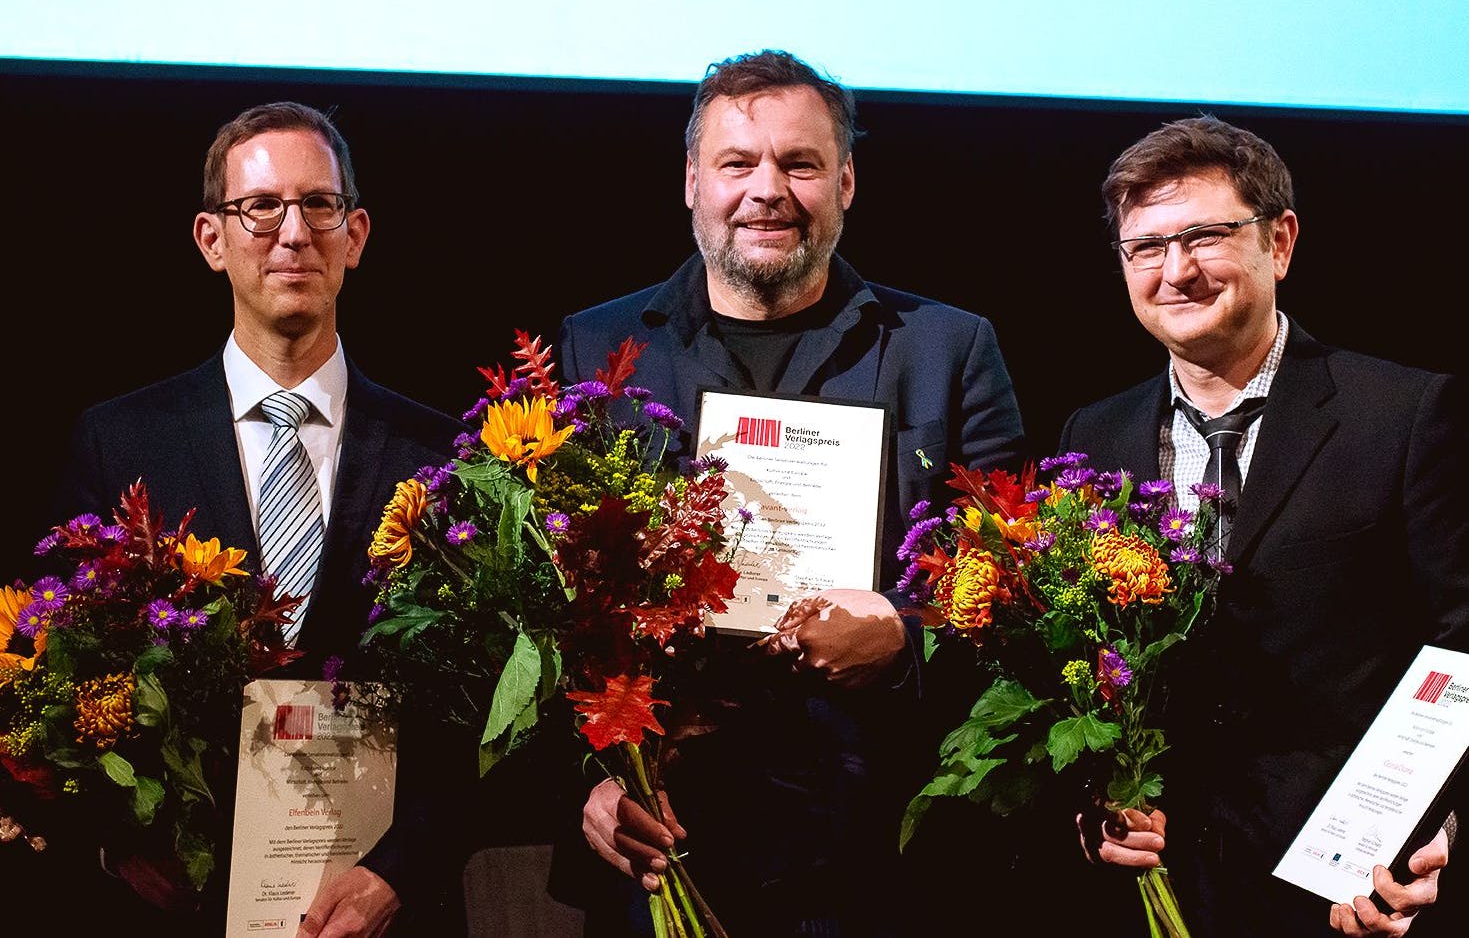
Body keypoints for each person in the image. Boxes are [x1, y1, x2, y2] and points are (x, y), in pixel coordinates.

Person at [548, 49, 1027, 936]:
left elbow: (1009, 597)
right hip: (669, 839)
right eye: (737, 163)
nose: (766, 189)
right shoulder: (596, 348)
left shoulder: (946, 349)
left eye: (799, 164)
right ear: (692, 181)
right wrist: (598, 778)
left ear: (845, 181)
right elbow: (553, 609)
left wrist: (901, 635)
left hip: (881, 853)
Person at [43, 102, 470, 937]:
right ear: (211, 238)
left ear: (356, 235)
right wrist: (120, 846)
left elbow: (475, 707)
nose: (292, 232)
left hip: (385, 913)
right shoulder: (120, 440)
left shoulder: (441, 453)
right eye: (260, 206)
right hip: (177, 907)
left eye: (319, 205)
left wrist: (400, 872)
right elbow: (52, 675)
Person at [1059, 115, 1469, 937]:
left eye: (1205, 236)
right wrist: (1086, 809)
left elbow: (1463, 648)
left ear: (1278, 242)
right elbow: (1074, 657)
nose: (1175, 270)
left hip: (1345, 891)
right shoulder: (1089, 438)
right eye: (1144, 247)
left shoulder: (1401, 413)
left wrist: (1443, 838)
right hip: (1156, 889)